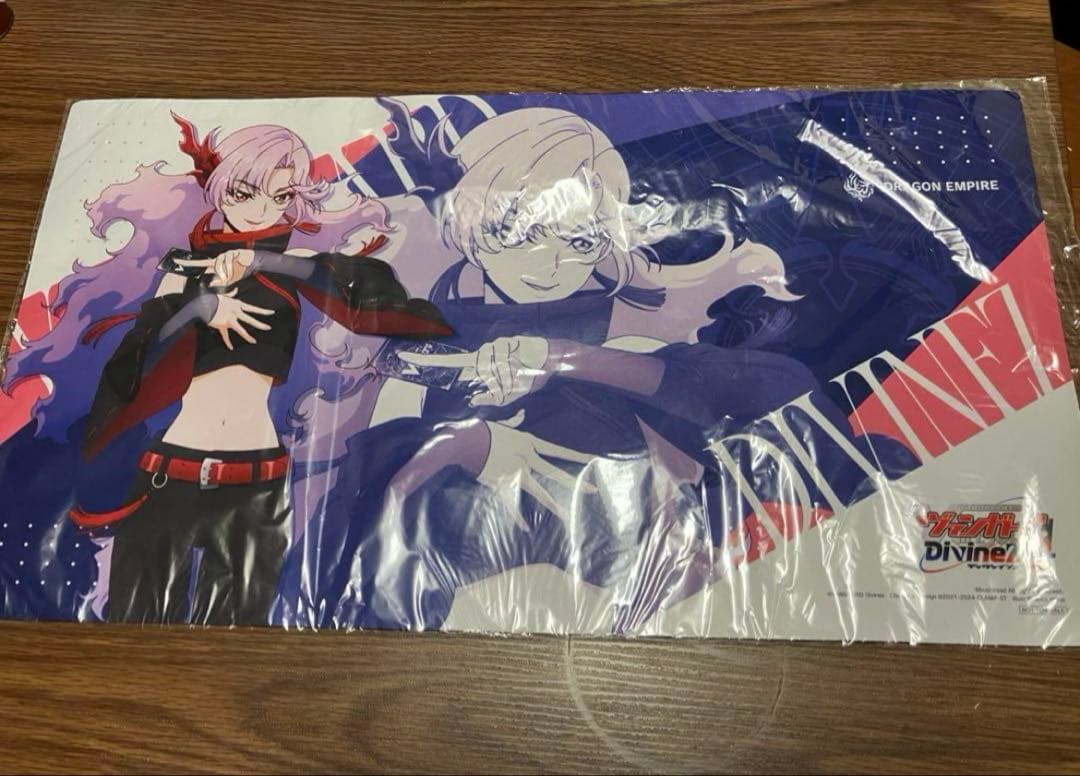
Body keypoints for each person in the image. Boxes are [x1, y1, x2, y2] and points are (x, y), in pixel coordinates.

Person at [276, 105, 916, 631]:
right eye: (523, 231)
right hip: (496, 508)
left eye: (581, 241)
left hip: (618, 493)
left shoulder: (614, 306)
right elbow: (337, 447)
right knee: (400, 470)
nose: (552, 262)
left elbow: (700, 386)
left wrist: (561, 362)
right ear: (476, 220)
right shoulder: (427, 301)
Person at [13, 114, 450, 625]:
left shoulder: (295, 264)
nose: (260, 210)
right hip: (168, 476)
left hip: (256, 487)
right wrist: (204, 307)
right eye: (244, 192)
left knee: (240, 641)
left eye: (280, 196)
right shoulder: (183, 269)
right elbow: (135, 365)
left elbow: (372, 299)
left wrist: (259, 263)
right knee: (132, 633)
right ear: (220, 188)